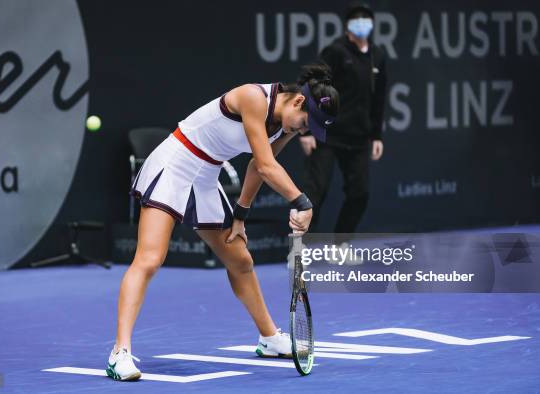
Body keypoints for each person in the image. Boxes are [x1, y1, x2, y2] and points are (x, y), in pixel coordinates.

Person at [106, 65, 339, 381]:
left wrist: (241, 215)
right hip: (175, 162)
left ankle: (269, 338)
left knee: (240, 260)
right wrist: (301, 201)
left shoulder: (285, 125)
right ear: (298, 102)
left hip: (206, 174)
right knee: (150, 259)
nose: (303, 131)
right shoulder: (252, 97)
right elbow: (269, 166)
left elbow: (258, 165)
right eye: (305, 124)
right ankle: (119, 352)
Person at [300, 1, 387, 250]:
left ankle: (341, 246)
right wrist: (306, 130)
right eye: (356, 19)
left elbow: (378, 97)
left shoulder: (378, 55)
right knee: (315, 194)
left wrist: (376, 135)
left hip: (359, 138)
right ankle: (300, 249)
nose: (362, 23)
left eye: (366, 18)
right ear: (348, 26)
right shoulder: (335, 52)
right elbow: (313, 86)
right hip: (326, 134)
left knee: (360, 194)